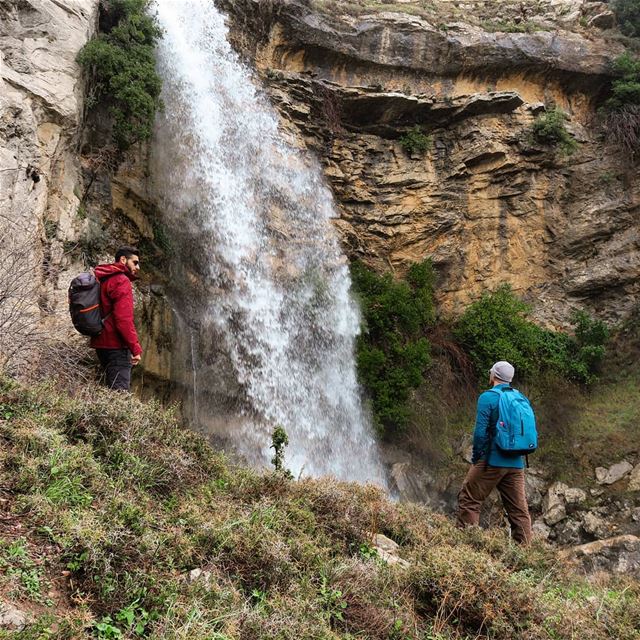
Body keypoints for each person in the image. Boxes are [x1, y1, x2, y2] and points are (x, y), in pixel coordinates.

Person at [457, 361, 532, 545]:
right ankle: (525, 554)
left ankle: (466, 547)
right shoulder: (520, 397)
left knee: (470, 498)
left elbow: (480, 433)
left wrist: (477, 458)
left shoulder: (488, 397)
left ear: (494, 375)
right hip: (516, 463)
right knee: (519, 511)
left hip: (492, 460)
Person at [90, 246, 143, 391]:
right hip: (116, 345)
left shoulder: (104, 278)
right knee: (119, 394)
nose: (138, 267)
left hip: (101, 343)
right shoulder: (121, 281)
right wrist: (135, 348)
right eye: (135, 262)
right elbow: (123, 320)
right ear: (123, 260)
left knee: (110, 389)